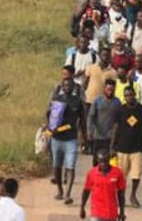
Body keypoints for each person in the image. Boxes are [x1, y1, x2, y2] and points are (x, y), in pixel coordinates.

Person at [111, 86, 142, 208]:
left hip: (137, 148)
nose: (129, 97)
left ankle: (133, 195)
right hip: (122, 148)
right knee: (121, 177)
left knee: (136, 174)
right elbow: (116, 128)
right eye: (126, 95)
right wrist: (112, 146)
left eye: (131, 95)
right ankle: (121, 196)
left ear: (135, 95)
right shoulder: (120, 110)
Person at [48, 77, 85, 205]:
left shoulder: (78, 102)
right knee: (57, 167)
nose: (67, 87)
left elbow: (82, 120)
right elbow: (48, 114)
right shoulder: (56, 99)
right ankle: (60, 191)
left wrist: (84, 137)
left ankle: (68, 194)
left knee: (70, 167)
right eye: (65, 85)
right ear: (62, 87)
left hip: (71, 139)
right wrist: (49, 128)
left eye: (70, 85)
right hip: (57, 138)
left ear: (74, 87)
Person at [80, 149, 127, 221]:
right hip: (96, 212)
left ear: (109, 160)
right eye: (101, 161)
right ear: (98, 161)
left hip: (111, 212)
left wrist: (122, 212)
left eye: (106, 161)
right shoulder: (92, 173)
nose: (104, 164)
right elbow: (86, 191)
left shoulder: (118, 173)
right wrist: (82, 208)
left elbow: (121, 193)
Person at [88, 78, 120, 165]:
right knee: (96, 160)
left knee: (110, 161)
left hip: (110, 137)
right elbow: (91, 116)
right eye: (108, 89)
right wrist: (89, 131)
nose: (110, 92)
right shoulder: (97, 101)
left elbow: (119, 121)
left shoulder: (117, 102)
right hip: (98, 135)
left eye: (112, 90)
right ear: (104, 89)